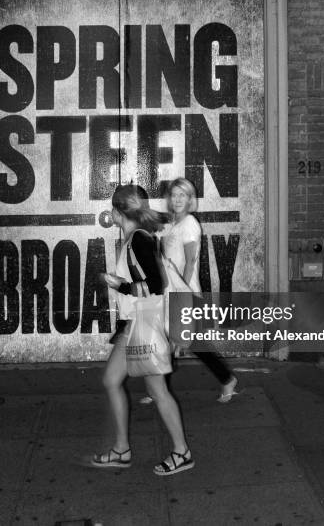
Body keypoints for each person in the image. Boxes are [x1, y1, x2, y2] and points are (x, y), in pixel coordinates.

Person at [92, 184, 194, 476]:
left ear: (118, 211)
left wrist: (119, 285)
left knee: (157, 390)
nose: (110, 213)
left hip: (143, 325)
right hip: (133, 325)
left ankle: (181, 452)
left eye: (112, 208)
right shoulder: (135, 238)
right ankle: (122, 449)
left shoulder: (138, 239)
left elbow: (156, 284)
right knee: (113, 381)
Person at [160, 177, 238, 403]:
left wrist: (181, 293)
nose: (177, 199)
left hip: (184, 292)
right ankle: (160, 391)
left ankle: (226, 379)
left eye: (182, 195)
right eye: (174, 195)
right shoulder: (175, 223)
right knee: (170, 341)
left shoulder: (190, 223)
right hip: (174, 290)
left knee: (193, 343)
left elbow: (191, 261)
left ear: (190, 199)